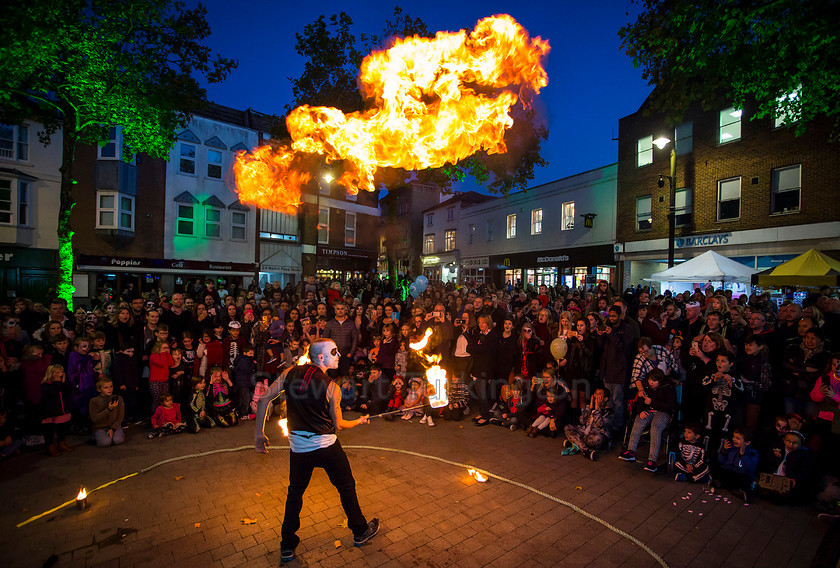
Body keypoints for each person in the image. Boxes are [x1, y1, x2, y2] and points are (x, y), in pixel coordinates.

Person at [254, 338, 379, 562]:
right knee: (346, 487)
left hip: (299, 448)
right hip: (326, 447)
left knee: (295, 494)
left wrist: (258, 434)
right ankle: (360, 532)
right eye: (334, 352)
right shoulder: (332, 387)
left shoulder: (290, 373)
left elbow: (263, 400)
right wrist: (359, 422)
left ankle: (287, 546)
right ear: (320, 357)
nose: (339, 355)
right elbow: (339, 424)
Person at [618, 368, 677, 472]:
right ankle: (631, 451)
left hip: (662, 412)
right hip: (648, 410)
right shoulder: (646, 386)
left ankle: (652, 460)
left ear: (660, 381)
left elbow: (670, 406)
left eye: (654, 381)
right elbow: (640, 401)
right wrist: (641, 411)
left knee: (656, 427)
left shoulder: (668, 388)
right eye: (650, 380)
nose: (651, 383)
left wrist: (652, 402)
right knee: (639, 420)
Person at [563, 387, 614, 460]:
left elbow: (599, 425)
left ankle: (576, 443)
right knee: (567, 428)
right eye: (595, 393)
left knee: (595, 439)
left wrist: (597, 410)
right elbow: (582, 421)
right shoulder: (591, 406)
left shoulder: (610, 412)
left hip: (598, 436)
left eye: (599, 394)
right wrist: (589, 408)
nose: (596, 396)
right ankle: (585, 449)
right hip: (586, 433)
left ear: (605, 398)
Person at [41, 364, 74, 456]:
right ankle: (50, 448)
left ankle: (61, 444)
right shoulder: (46, 385)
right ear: (51, 373)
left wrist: (63, 382)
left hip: (63, 410)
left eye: (62, 372)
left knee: (62, 428)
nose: (60, 374)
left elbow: (70, 390)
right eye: (57, 372)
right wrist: (57, 383)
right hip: (51, 412)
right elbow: (51, 394)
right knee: (49, 431)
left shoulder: (62, 384)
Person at [88, 378, 126, 447]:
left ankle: (113, 433)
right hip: (100, 427)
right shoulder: (93, 401)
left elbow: (120, 416)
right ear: (99, 389)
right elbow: (94, 418)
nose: (109, 389)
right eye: (106, 387)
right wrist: (108, 409)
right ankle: (96, 435)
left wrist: (113, 428)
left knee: (118, 440)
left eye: (111, 386)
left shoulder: (118, 398)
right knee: (105, 442)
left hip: (114, 425)